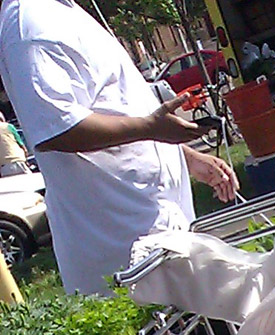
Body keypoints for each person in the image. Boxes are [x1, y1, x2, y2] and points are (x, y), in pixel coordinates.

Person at [0, 0, 237, 295]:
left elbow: (115, 108)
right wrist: (153, 129)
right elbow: (58, 129)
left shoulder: (64, 11)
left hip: (158, 237)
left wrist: (185, 157)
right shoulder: (30, 23)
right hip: (123, 253)